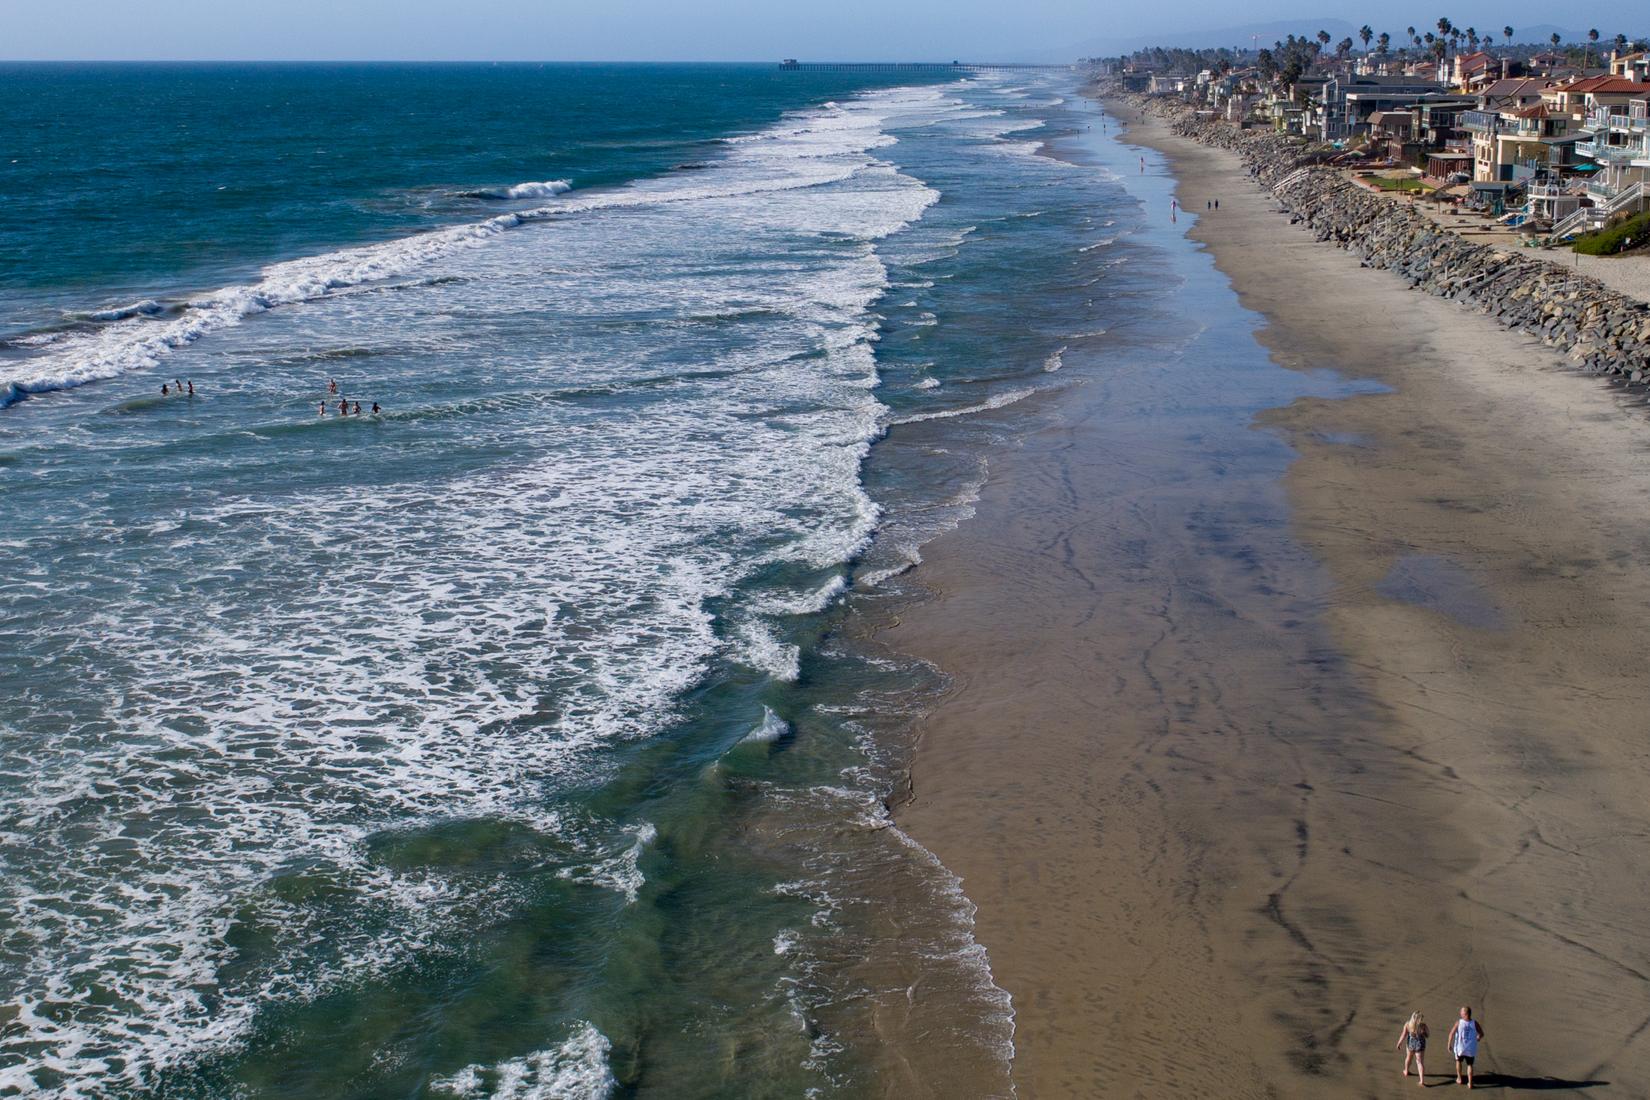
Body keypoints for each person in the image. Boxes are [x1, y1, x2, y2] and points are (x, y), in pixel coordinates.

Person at [1448, 1006, 1484, 1088]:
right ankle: (1470, 1083)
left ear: (1465, 1014)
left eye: (1461, 1012)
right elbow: (1481, 1034)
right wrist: (1478, 1038)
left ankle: (1459, 1078)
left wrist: (1449, 1044)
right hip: (1470, 1049)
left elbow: (1451, 1034)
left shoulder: (1459, 1022)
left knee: (1458, 1061)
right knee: (1470, 1065)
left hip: (1460, 1048)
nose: (1460, 1013)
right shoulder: (1475, 1023)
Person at [1395, 1011, 1428, 1085]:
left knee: (1408, 1057)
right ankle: (1421, 1080)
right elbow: (1427, 1035)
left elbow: (1403, 1034)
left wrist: (1399, 1043)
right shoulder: (1423, 1026)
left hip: (1411, 1043)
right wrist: (1423, 1033)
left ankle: (1406, 1071)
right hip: (1420, 1045)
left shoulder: (1407, 1024)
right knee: (1420, 1063)